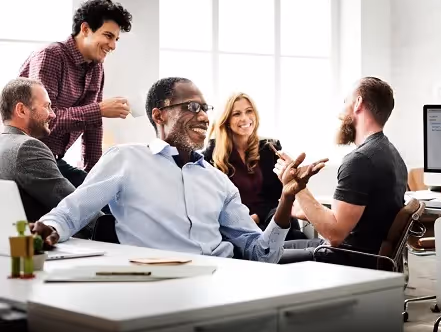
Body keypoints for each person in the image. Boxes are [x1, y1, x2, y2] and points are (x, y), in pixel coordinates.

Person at [30, 78, 326, 263]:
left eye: (205, 108)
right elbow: (71, 212)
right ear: (159, 115)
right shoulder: (126, 159)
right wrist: (50, 228)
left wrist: (287, 199)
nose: (204, 117)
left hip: (226, 280)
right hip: (159, 282)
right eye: (192, 107)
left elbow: (262, 255)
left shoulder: (218, 181)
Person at [275, 77, 407, 266]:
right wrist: (305, 209)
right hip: (361, 254)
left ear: (358, 103)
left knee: (261, 256)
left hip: (348, 261)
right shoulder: (390, 153)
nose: (340, 112)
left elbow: (335, 234)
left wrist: (297, 186)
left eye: (346, 101)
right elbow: (363, 218)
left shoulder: (360, 160)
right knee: (267, 246)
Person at [19, 0, 133, 187]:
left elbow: (93, 128)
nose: (113, 46)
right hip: (27, 158)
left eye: (116, 39)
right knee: (79, 206)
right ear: (85, 29)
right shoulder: (50, 56)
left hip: (53, 159)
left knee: (107, 195)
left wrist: (93, 176)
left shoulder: (96, 68)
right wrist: (99, 110)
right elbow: (44, 120)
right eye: (108, 36)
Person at [203, 92, 305, 239]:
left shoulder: (270, 148)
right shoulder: (211, 154)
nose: (245, 118)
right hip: (235, 230)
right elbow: (213, 202)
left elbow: (281, 195)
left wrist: (258, 216)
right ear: (226, 120)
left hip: (271, 222)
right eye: (236, 114)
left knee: (299, 240)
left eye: (249, 111)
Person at [0, 78, 74, 221]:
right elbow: (72, 206)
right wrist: (112, 229)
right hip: (35, 241)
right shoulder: (28, 148)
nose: (53, 114)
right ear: (21, 110)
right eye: (47, 106)